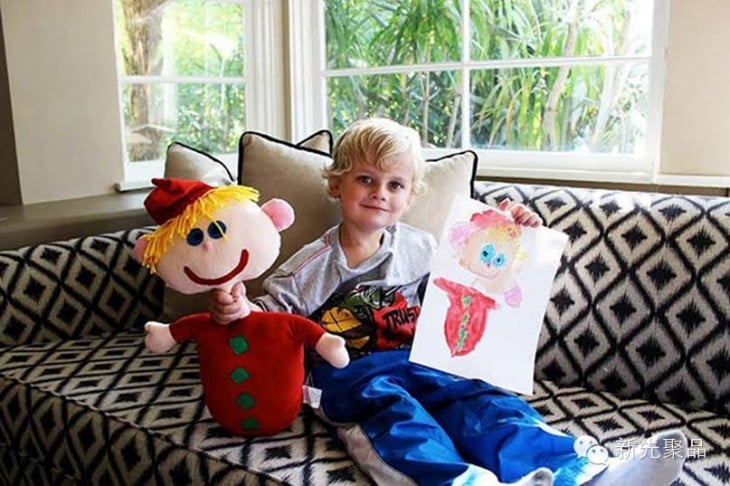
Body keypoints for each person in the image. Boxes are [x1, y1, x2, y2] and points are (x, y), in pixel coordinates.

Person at [210, 118, 687, 486]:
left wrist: (511, 231)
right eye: (366, 180)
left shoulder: (422, 246)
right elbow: (268, 323)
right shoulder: (312, 264)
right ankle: (459, 481)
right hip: (351, 375)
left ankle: (582, 471)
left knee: (484, 403)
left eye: (395, 185)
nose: (380, 194)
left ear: (411, 195)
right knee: (398, 418)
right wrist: (235, 309)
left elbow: (480, 277)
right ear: (337, 184)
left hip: (425, 360)